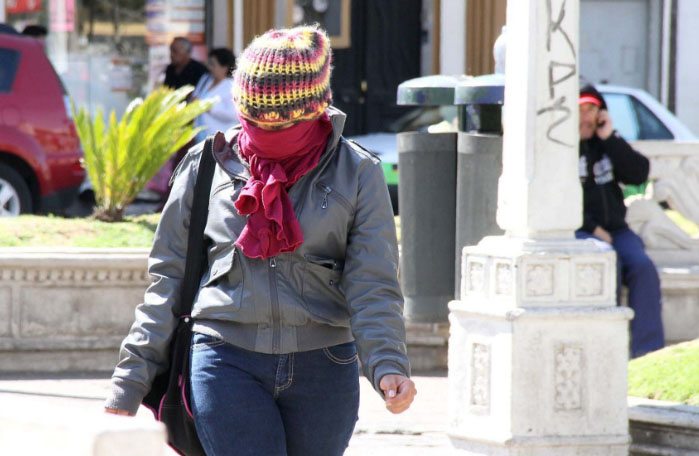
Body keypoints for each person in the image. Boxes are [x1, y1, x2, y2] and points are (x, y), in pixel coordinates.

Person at [104, 25, 416, 456]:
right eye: (254, 119)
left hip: (325, 368)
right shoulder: (206, 166)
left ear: (314, 108)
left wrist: (387, 364)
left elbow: (373, 282)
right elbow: (167, 279)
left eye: (283, 123)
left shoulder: (357, 172)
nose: (267, 133)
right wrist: (129, 379)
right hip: (224, 359)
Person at [577, 84, 664, 358]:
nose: (586, 117)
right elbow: (555, 198)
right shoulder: (562, 148)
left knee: (643, 268)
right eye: (580, 110)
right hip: (581, 232)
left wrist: (610, 138)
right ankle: (608, 350)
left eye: (591, 110)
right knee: (608, 261)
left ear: (601, 114)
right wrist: (593, 228)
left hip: (617, 230)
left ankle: (647, 352)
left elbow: (639, 174)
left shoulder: (608, 143)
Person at [191, 48, 238, 144]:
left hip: (221, 139)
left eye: (213, 64)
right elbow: (195, 95)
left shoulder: (232, 86)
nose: (210, 68)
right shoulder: (206, 79)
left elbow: (234, 114)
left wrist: (208, 106)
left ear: (224, 67)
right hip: (200, 135)